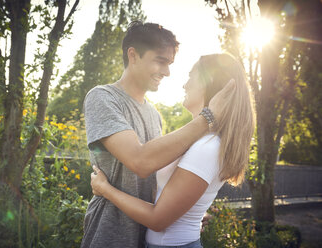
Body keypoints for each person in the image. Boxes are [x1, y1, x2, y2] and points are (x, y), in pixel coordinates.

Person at [81, 21, 234, 248]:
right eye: (161, 61)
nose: (167, 72)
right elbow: (140, 161)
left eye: (170, 63)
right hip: (111, 235)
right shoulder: (103, 98)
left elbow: (155, 181)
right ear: (133, 56)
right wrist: (208, 118)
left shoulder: (154, 115)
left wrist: (181, 212)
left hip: (147, 235)